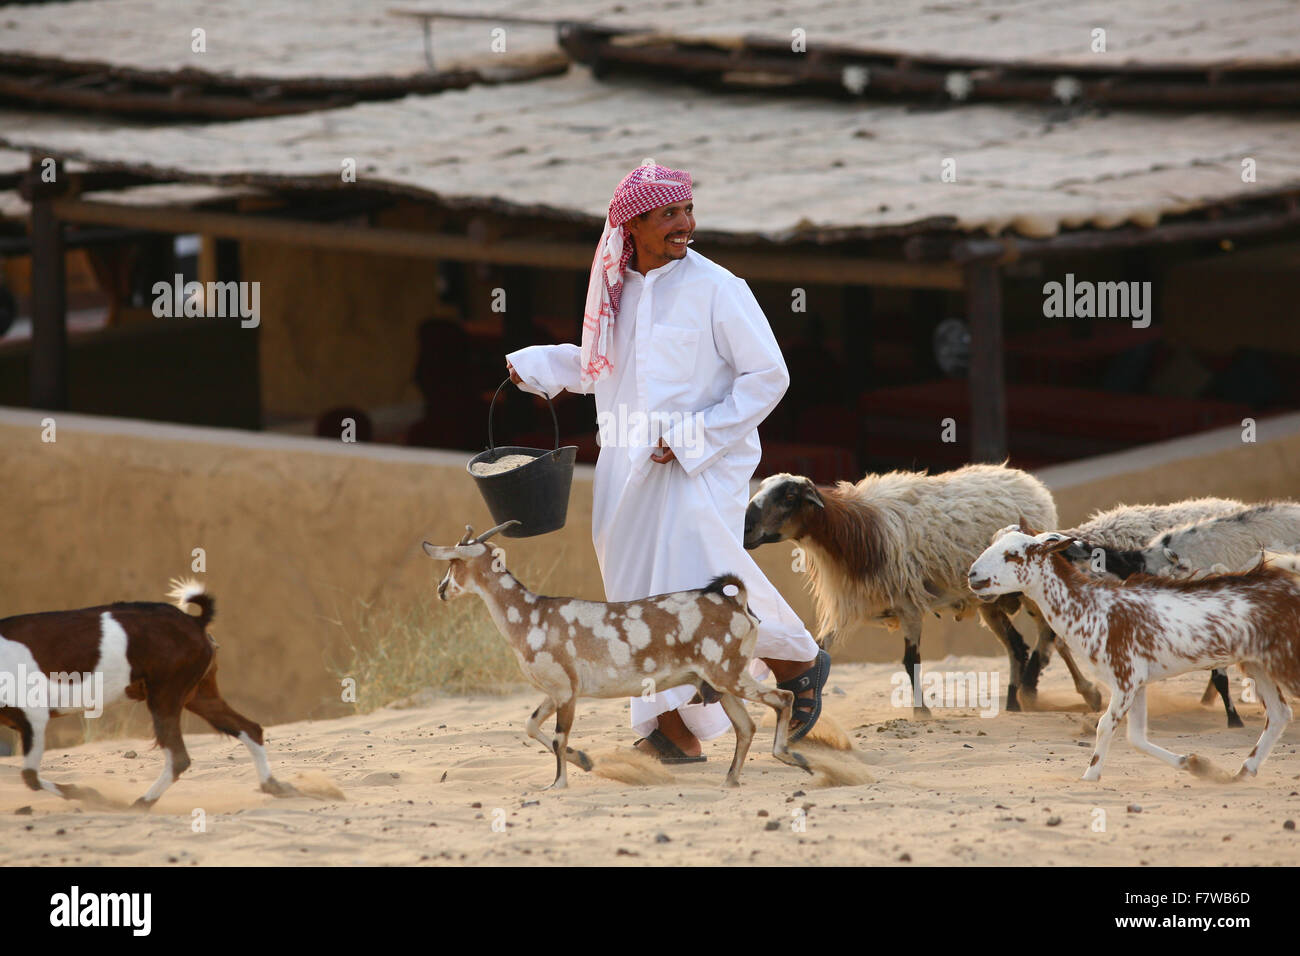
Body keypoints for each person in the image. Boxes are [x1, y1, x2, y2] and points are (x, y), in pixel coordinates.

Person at [505, 162, 829, 762]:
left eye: (687, 211)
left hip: (701, 464)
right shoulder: (614, 289)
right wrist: (541, 367)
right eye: (669, 216)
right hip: (626, 469)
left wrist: (691, 435)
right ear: (632, 226)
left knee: (701, 578)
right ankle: (673, 729)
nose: (686, 225)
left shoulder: (718, 288)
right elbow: (601, 363)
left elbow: (768, 377)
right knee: (642, 597)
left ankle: (793, 659)